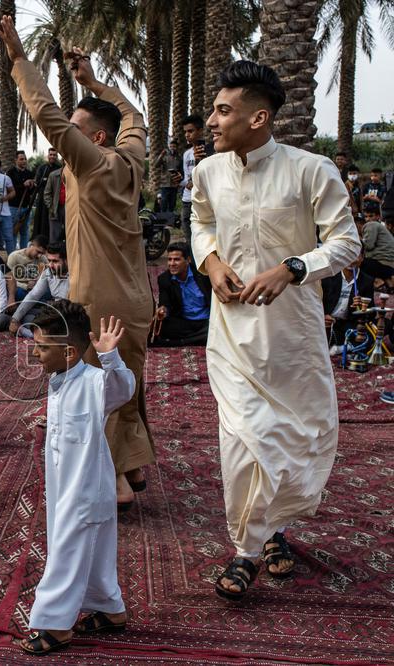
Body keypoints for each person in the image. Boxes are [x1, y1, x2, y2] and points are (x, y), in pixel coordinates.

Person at [189, 60, 360, 600]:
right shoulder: (207, 172)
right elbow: (201, 222)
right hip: (232, 331)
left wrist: (292, 268)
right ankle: (245, 550)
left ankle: (274, 529)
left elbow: (346, 243)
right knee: (243, 439)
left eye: (223, 111)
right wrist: (211, 261)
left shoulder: (311, 170)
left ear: (258, 118)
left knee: (289, 437)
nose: (211, 122)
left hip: (292, 336)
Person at [2, 18, 154, 504]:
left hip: (100, 299)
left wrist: (20, 61)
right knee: (127, 381)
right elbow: (134, 116)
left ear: (98, 139)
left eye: (79, 130)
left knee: (97, 388)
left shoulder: (92, 164)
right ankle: (132, 468)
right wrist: (94, 83)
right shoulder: (131, 157)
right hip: (136, 298)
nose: (68, 137)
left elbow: (46, 114)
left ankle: (114, 482)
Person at [19, 304, 135, 655]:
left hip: (86, 488)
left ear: (68, 352)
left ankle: (55, 624)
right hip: (65, 486)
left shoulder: (95, 382)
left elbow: (123, 388)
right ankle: (110, 610)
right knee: (92, 552)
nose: (35, 354)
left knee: (66, 553)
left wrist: (110, 357)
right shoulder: (60, 379)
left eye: (41, 348)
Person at [151, 242, 211, 347]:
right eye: (169, 259)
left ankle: (182, 342)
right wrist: (163, 310)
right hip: (184, 322)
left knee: (219, 328)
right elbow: (165, 303)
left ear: (188, 260)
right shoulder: (164, 279)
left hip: (206, 320)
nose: (172, 264)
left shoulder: (203, 275)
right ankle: (201, 339)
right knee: (163, 327)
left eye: (177, 259)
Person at [9, 244, 70, 337]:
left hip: (68, 315)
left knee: (48, 328)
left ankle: (25, 332)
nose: (50, 265)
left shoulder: (75, 275)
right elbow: (33, 295)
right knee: (27, 318)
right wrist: (15, 319)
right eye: (49, 260)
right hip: (54, 310)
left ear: (67, 260)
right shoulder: (48, 272)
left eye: (55, 261)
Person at [321, 249, 374, 352]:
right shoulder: (329, 276)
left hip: (349, 323)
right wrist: (323, 314)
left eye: (355, 255)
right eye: (348, 255)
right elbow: (317, 299)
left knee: (372, 330)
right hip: (329, 321)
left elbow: (371, 314)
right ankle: (349, 347)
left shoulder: (367, 281)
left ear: (362, 257)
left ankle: (342, 348)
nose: (351, 260)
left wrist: (362, 306)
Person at [181, 115, 210, 247]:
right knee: (188, 236)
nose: (187, 135)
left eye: (190, 131)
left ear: (200, 131)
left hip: (203, 199)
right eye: (185, 132)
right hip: (187, 199)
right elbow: (186, 178)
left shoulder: (210, 151)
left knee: (204, 237)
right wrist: (180, 182)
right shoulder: (186, 154)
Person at [6, 150, 36, 248]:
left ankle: (24, 252)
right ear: (16, 160)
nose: (24, 161)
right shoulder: (10, 173)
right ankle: (12, 253)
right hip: (13, 207)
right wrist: (23, 185)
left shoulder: (30, 173)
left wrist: (32, 185)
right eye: (21, 159)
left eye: (25, 159)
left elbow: (32, 192)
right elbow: (10, 189)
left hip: (26, 207)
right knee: (13, 231)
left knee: (25, 232)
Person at [31, 147, 62, 239]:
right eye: (51, 154)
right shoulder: (42, 168)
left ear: (57, 156)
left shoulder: (59, 168)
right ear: (48, 155)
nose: (52, 156)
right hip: (42, 199)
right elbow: (38, 182)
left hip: (54, 199)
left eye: (54, 155)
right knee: (41, 220)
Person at [357, 210, 394, 286]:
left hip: (384, 264)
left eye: (371, 216)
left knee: (358, 262)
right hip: (388, 264)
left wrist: (358, 239)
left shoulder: (371, 225)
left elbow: (368, 245)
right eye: (366, 216)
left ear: (378, 216)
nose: (368, 219)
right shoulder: (379, 226)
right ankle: (387, 282)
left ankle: (379, 282)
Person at [6, 234, 48, 298]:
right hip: (20, 288)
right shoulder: (14, 256)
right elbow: (8, 279)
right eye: (38, 252)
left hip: (35, 288)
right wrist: (26, 286)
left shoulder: (42, 258)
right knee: (19, 293)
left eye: (42, 253)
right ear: (31, 245)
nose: (39, 256)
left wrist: (38, 281)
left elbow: (49, 272)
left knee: (49, 291)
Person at [41, 165, 66, 243]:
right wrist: (51, 206)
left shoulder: (75, 174)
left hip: (70, 208)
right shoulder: (53, 175)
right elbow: (47, 193)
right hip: (56, 208)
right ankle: (53, 249)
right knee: (54, 235)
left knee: (71, 234)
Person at [156, 141, 182, 214]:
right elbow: (156, 165)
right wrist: (161, 155)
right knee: (163, 203)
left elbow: (181, 171)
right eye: (171, 146)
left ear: (177, 147)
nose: (172, 148)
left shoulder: (179, 158)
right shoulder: (165, 156)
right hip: (165, 184)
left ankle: (170, 218)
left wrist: (179, 181)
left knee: (172, 204)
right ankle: (163, 218)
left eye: (174, 147)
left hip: (174, 185)